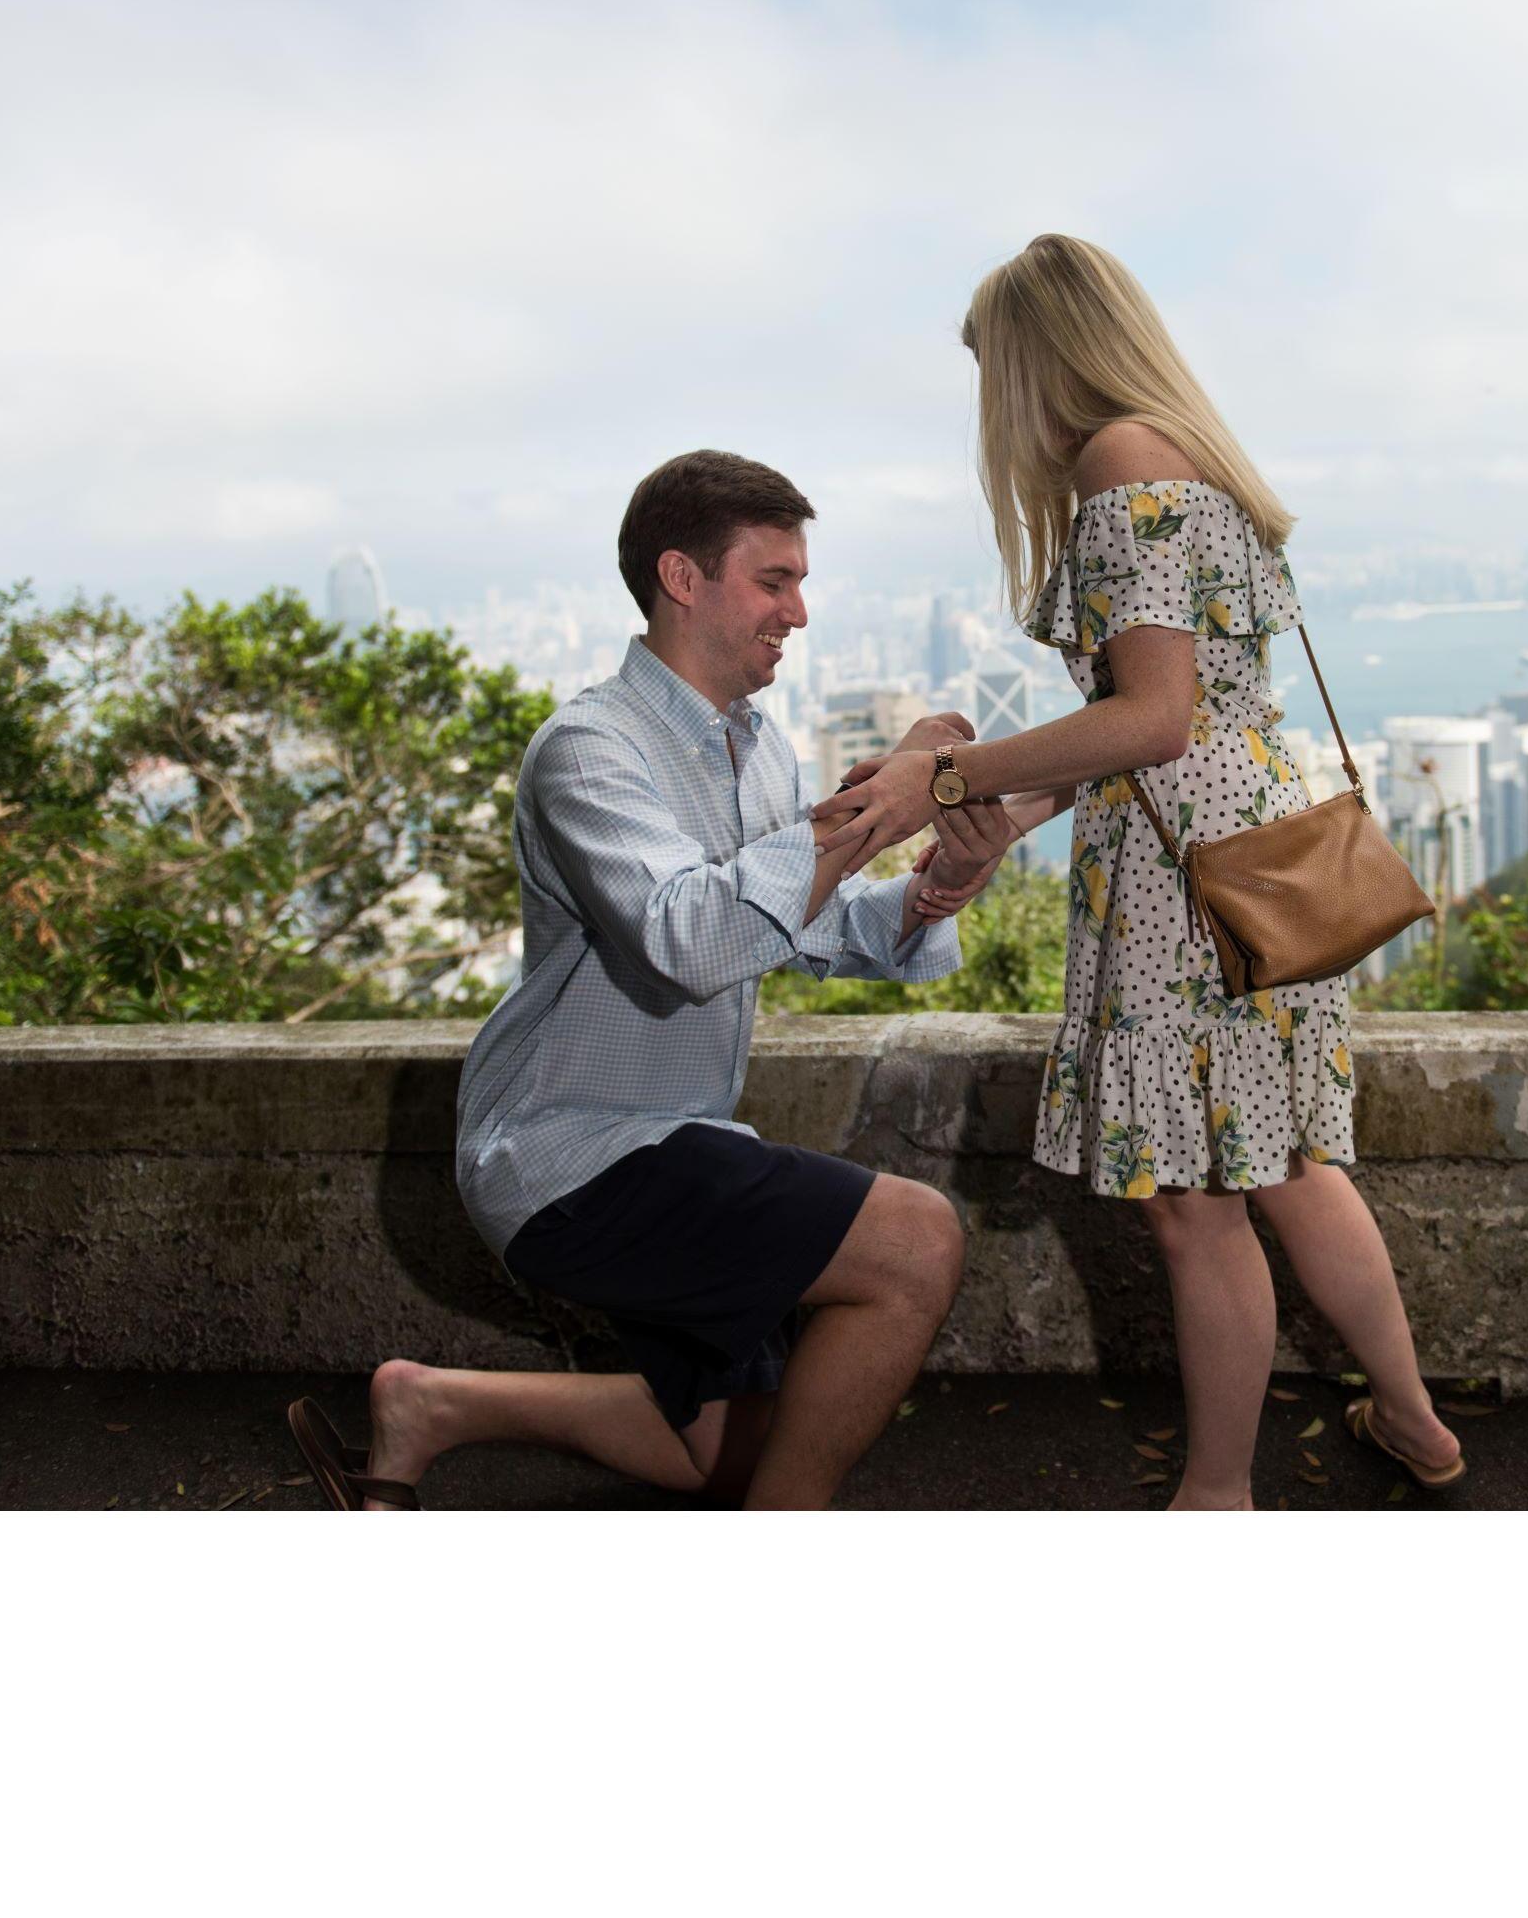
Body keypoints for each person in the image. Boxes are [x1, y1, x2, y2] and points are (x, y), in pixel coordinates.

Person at [812, 234, 1469, 1509]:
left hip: (1188, 885)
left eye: (992, 370)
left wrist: (944, 781)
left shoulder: (1121, 461)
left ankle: (1217, 1496)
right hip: (1246, 854)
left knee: (1193, 1202)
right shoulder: (1186, 456)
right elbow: (1164, 717)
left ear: (1038, 356)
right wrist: (1007, 815)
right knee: (1284, 1166)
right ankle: (1414, 1421)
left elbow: (1154, 720)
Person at [288, 449, 1018, 1511]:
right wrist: (880, 805)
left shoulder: (761, 754)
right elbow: (690, 940)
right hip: (568, 1154)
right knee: (915, 1243)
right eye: (775, 581)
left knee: (720, 1451)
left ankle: (434, 1406)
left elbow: (798, 930)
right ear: (684, 579)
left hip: (677, 1144)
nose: (799, 612)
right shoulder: (590, 750)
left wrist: (939, 879)